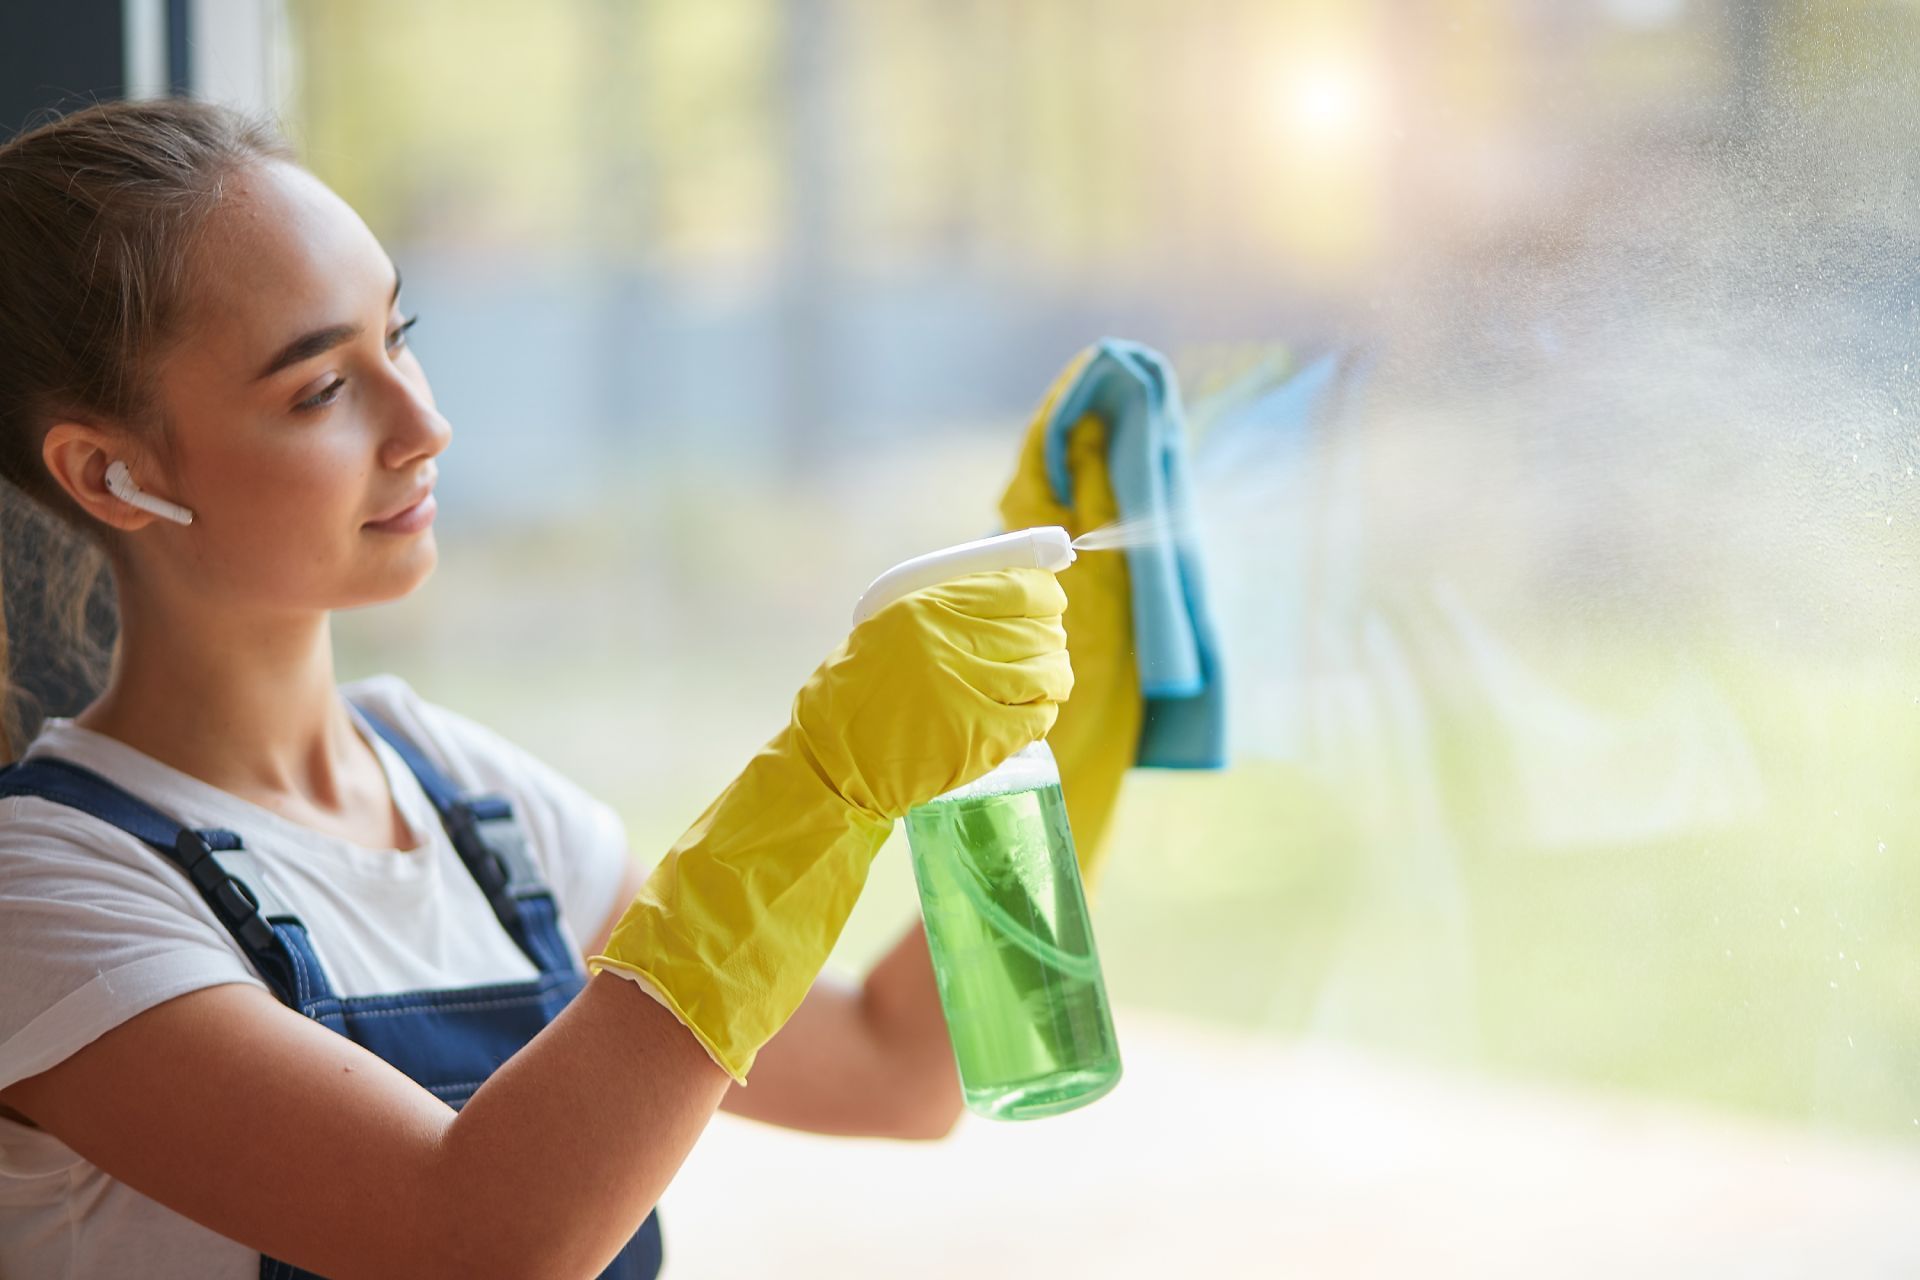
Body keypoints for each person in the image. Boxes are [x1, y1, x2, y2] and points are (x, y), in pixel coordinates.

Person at [0, 99, 1138, 1279]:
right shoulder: (44, 895)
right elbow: (477, 1237)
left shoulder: (467, 801)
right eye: (321, 389)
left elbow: (898, 1069)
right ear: (111, 473)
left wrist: (1084, 698)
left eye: (400, 336)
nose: (425, 424)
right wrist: (824, 788)